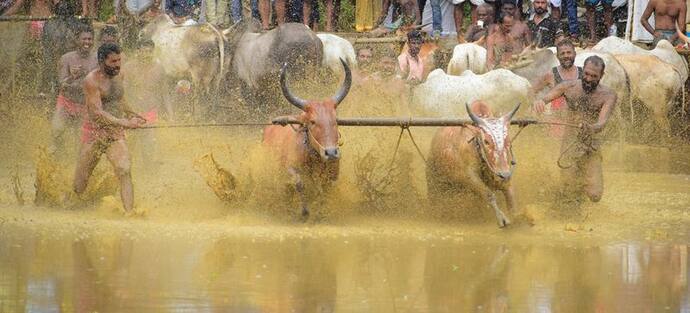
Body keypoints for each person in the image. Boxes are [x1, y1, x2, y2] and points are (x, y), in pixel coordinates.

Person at [74, 43, 147, 216]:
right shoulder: (91, 80)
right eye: (113, 61)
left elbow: (120, 100)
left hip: (114, 132)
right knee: (80, 184)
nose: (118, 64)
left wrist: (132, 115)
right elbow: (97, 113)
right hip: (94, 132)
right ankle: (75, 208)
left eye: (119, 60)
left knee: (124, 168)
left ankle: (129, 213)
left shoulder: (119, 74)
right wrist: (124, 122)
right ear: (102, 61)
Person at [532, 55, 617, 203]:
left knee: (595, 195)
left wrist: (591, 127)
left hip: (591, 145)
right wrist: (539, 103)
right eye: (587, 74)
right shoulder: (568, 86)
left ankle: (581, 189)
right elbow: (545, 99)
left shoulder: (608, 95)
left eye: (594, 76)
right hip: (569, 142)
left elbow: (601, 123)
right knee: (568, 188)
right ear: (582, 70)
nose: (589, 79)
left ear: (602, 76)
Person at [50, 24, 98, 154]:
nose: (87, 42)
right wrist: (72, 76)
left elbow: (100, 85)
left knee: (81, 141)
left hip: (85, 105)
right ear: (77, 40)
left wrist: (87, 75)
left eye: (90, 39)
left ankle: (76, 166)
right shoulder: (66, 58)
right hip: (66, 102)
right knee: (57, 131)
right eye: (84, 39)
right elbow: (61, 84)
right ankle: (57, 158)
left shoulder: (97, 60)